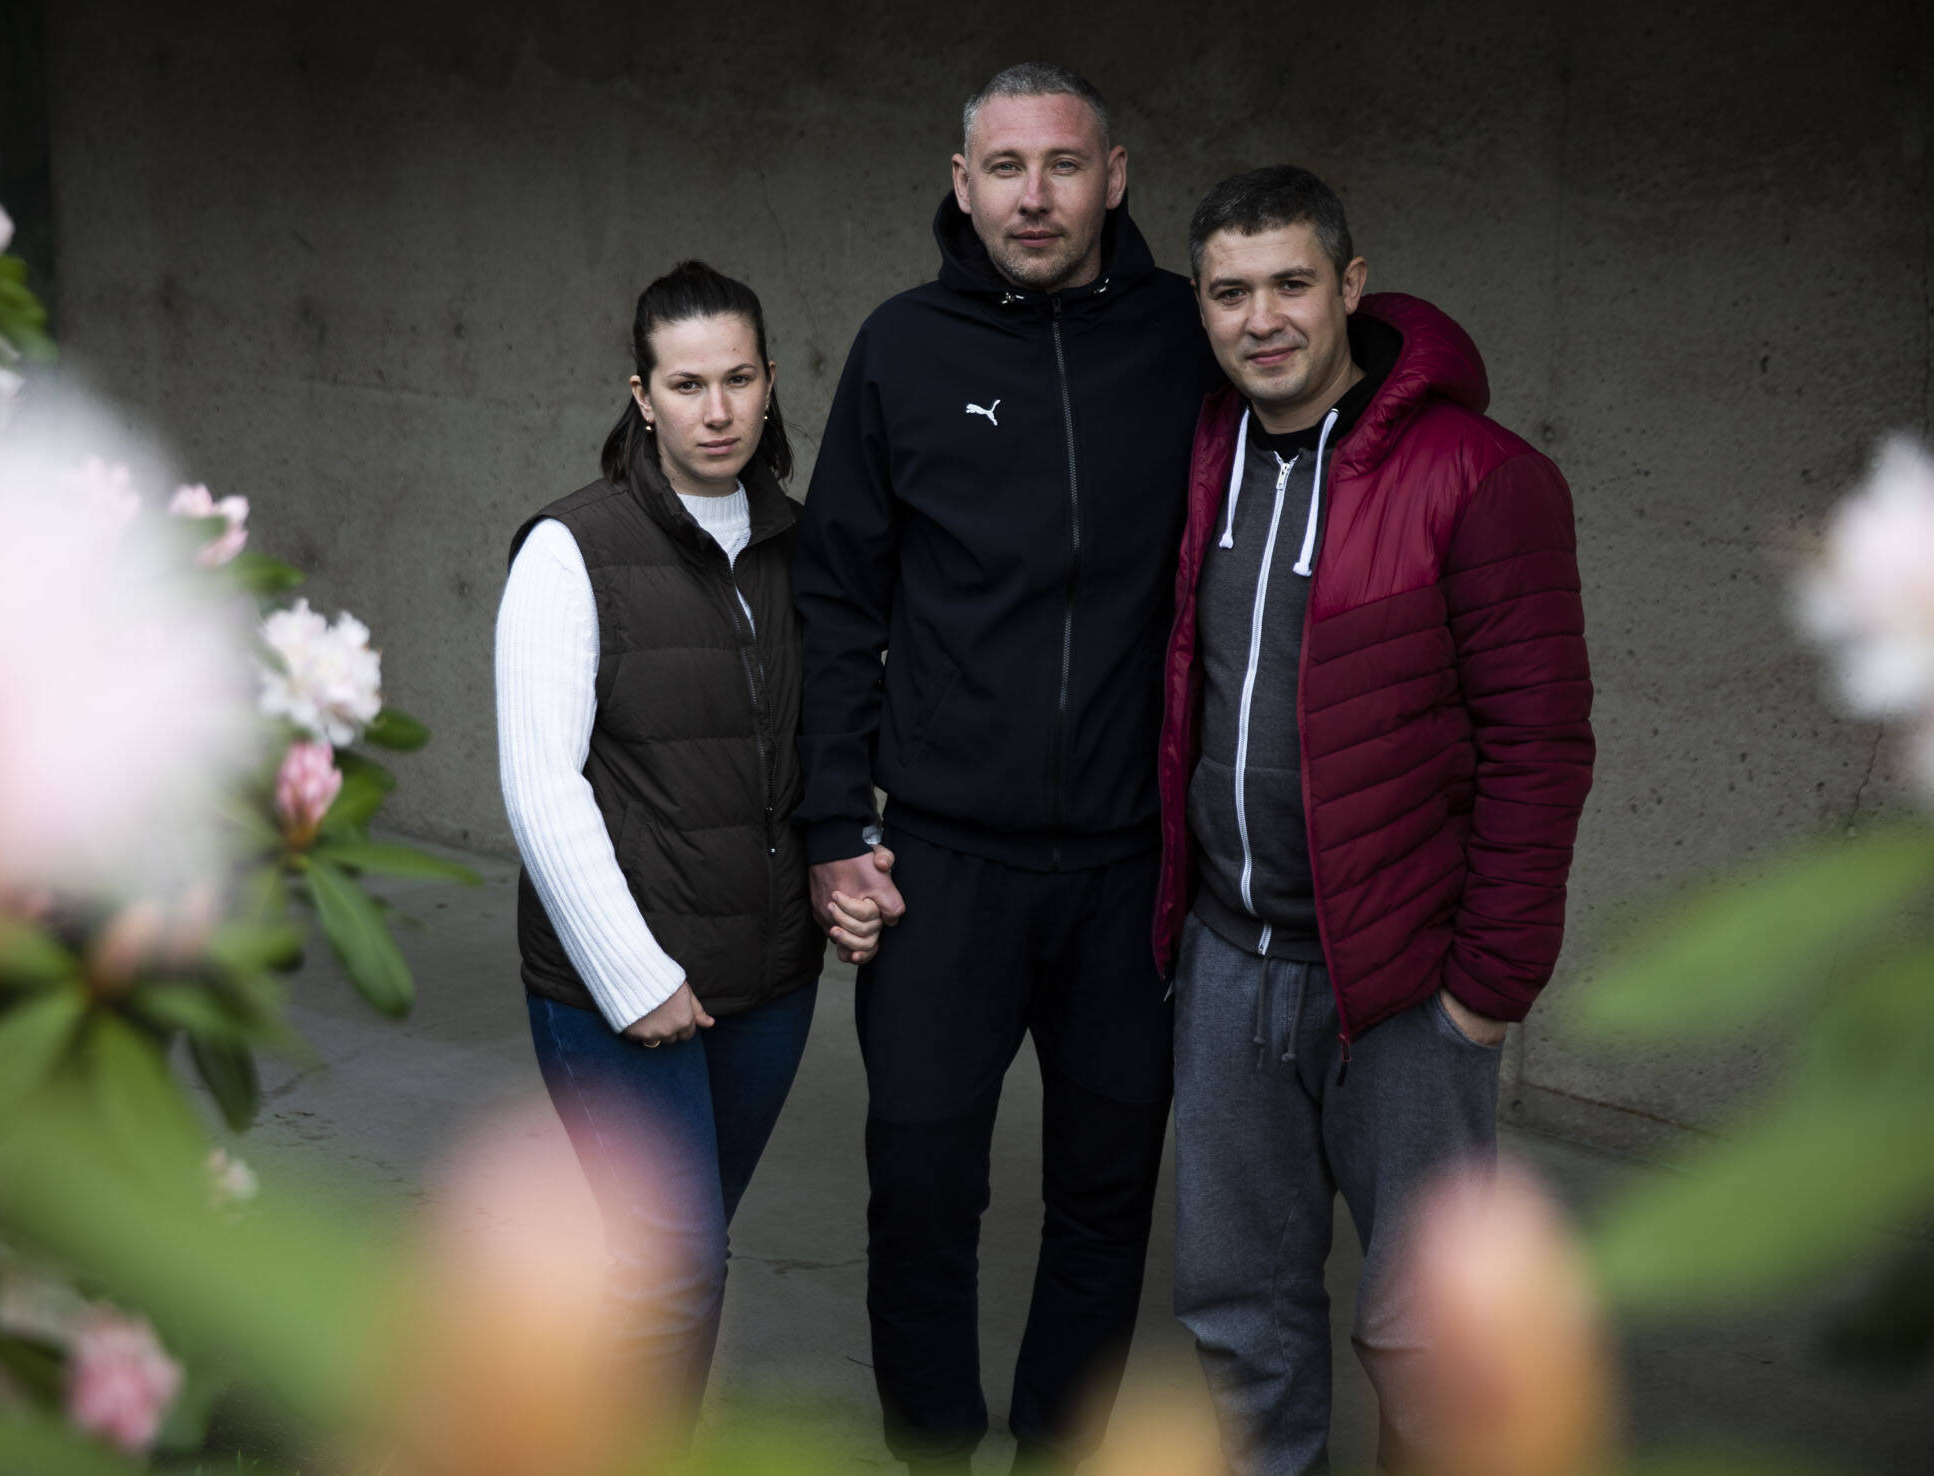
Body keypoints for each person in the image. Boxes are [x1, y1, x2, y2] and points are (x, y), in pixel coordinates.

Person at [793, 63, 1219, 1474]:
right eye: (1005, 167)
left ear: (1117, 175)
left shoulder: (1185, 339)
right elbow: (840, 600)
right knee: (919, 1186)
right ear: (959, 180)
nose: (1034, 195)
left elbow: (1332, 360)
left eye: (1064, 164)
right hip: (943, 865)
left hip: (1129, 869)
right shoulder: (902, 349)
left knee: (1106, 1201)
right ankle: (929, 1450)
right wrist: (828, 827)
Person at [1155, 165, 1596, 1475]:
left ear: (1351, 285)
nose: (1263, 319)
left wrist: (1488, 988)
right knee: (1239, 1314)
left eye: (1292, 283)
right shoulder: (1204, 457)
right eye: (1230, 293)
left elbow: (1541, 744)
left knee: (1425, 1333)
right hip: (1230, 963)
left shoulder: (1483, 477)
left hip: (1406, 986)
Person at [494, 260, 887, 1433]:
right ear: (641, 392)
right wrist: (633, 976)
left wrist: (849, 862)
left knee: (666, 1265)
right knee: (674, 1271)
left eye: (736, 380)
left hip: (765, 984)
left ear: (770, 385)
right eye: (684, 384)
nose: (714, 411)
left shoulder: (803, 547)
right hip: (615, 993)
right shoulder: (571, 549)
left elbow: (830, 744)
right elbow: (537, 782)